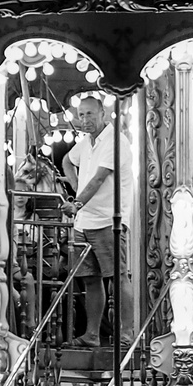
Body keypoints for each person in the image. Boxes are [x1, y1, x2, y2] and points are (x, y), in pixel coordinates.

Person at [60, 94, 127, 347]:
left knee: (118, 277)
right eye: (81, 115)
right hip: (85, 220)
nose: (84, 119)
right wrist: (77, 190)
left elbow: (99, 179)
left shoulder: (114, 141)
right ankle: (92, 334)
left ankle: (126, 333)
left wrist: (77, 203)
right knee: (90, 279)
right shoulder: (86, 143)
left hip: (107, 219)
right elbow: (67, 161)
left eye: (89, 114)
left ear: (103, 114)